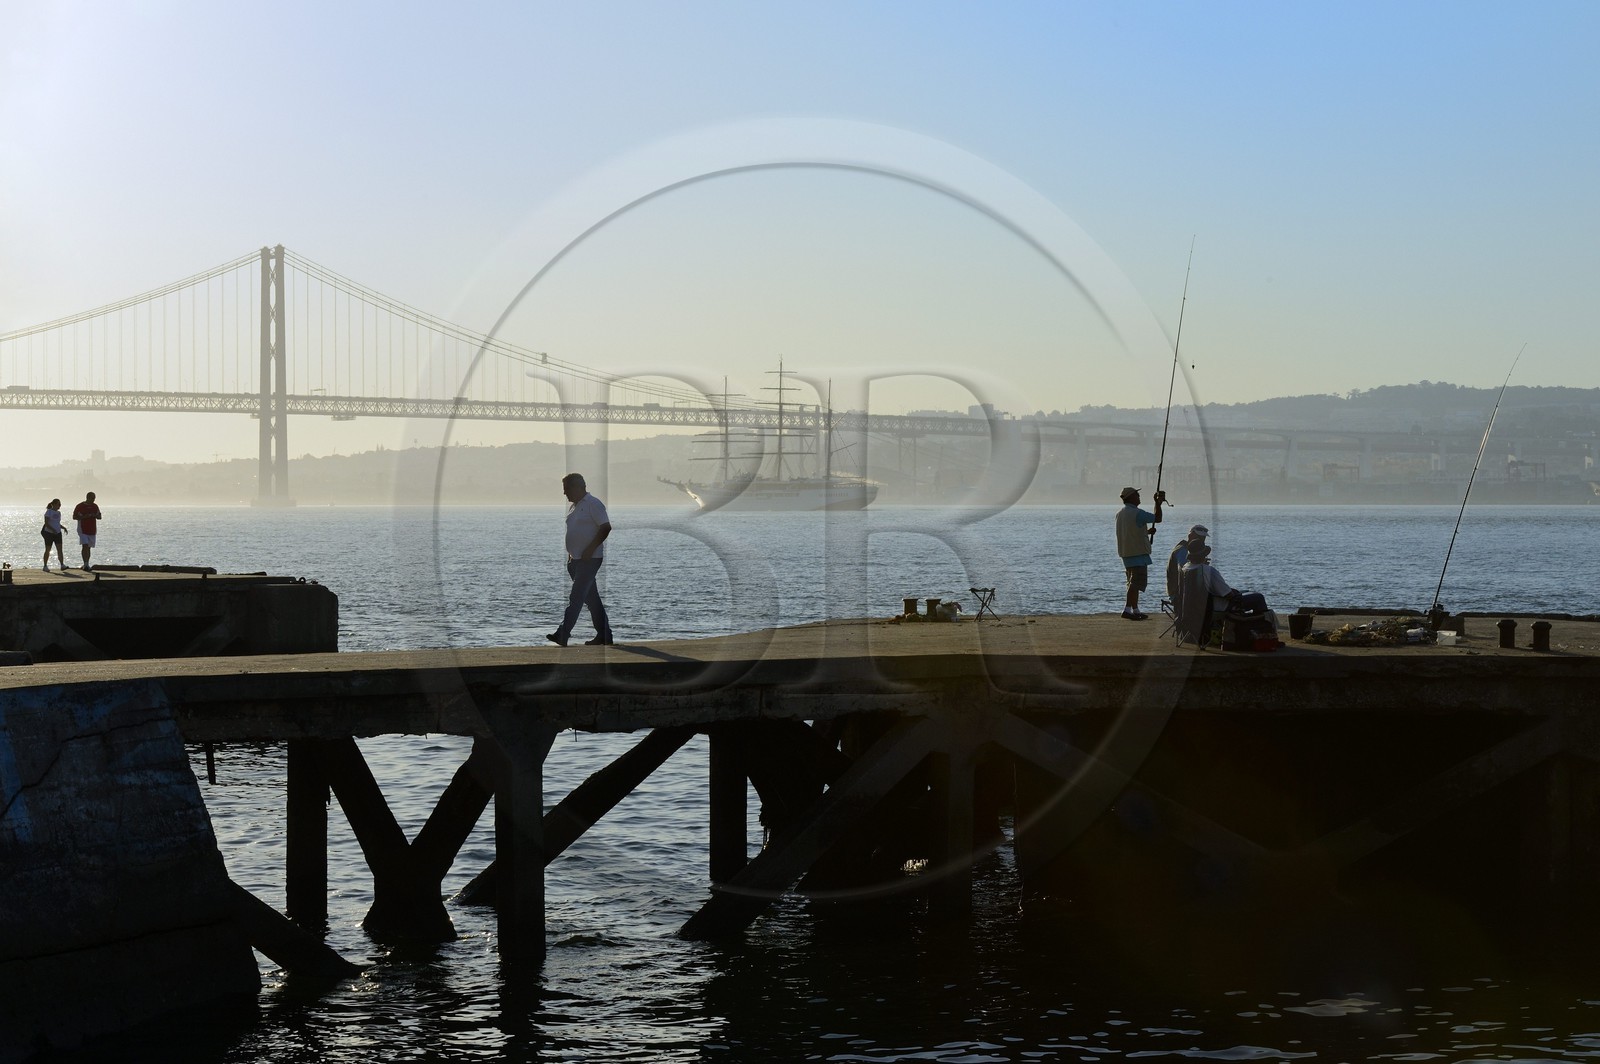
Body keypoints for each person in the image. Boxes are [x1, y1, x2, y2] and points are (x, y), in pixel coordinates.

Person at [547, 473, 613, 647]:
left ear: (578, 487)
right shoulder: (575, 507)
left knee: (576, 597)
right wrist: (572, 554)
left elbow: (606, 527)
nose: (564, 494)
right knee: (592, 600)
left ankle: (563, 633)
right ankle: (605, 635)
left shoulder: (593, 504)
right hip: (575, 560)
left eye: (566, 489)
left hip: (589, 560)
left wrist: (590, 550)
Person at [1181, 542, 1275, 624]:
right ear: (1203, 555)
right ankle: (1262, 632)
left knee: (1243, 593)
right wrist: (1235, 593)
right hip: (1215, 608)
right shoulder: (1208, 571)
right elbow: (1228, 594)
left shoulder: (1184, 569)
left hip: (1192, 609)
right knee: (1258, 597)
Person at [1114, 485, 1164, 620]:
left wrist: (1146, 532)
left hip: (1126, 554)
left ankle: (1135, 610)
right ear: (1132, 497)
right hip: (1138, 555)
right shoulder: (1138, 513)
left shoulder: (1120, 514)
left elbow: (1130, 532)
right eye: (1137, 495)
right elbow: (1157, 518)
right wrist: (1157, 503)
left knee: (1132, 584)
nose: (1139, 497)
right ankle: (1127, 610)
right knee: (1135, 584)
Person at [1165, 523, 1210, 603]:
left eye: (1203, 538)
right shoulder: (1183, 550)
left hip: (1185, 590)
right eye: (1199, 537)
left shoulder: (1191, 549)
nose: (1202, 540)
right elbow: (1185, 570)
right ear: (1190, 535)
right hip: (1179, 592)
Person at [71, 491, 102, 571]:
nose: (94, 500)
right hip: (82, 529)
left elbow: (99, 516)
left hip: (92, 530)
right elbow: (74, 517)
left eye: (94, 498)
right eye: (92, 498)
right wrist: (85, 517)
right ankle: (85, 564)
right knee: (84, 546)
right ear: (88, 497)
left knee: (89, 547)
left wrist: (94, 515)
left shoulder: (95, 506)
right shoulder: (80, 506)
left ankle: (87, 563)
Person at [40, 499, 66, 572]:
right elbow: (46, 523)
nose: (59, 506)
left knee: (60, 549)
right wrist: (52, 530)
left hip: (58, 533)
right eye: (58, 504)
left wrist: (63, 527)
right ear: (54, 504)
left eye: (60, 504)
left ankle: (62, 565)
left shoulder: (59, 513)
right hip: (49, 533)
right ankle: (45, 565)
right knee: (48, 549)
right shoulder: (49, 512)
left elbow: (57, 523)